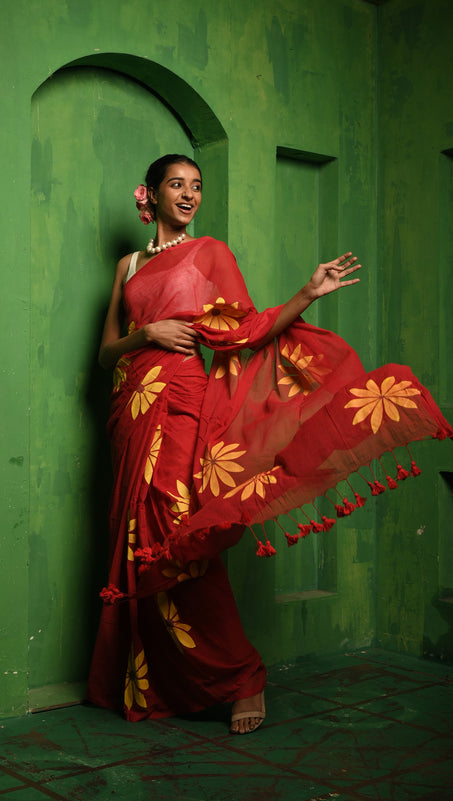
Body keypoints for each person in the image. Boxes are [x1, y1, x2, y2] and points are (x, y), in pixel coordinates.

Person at [87, 154, 452, 734]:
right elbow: (107, 352)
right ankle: (152, 681)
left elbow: (247, 330)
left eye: (197, 186)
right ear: (149, 194)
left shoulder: (210, 252)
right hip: (130, 408)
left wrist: (307, 293)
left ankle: (241, 677)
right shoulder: (127, 265)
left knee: (178, 539)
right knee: (135, 538)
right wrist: (146, 333)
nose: (189, 195)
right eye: (176, 185)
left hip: (181, 402)